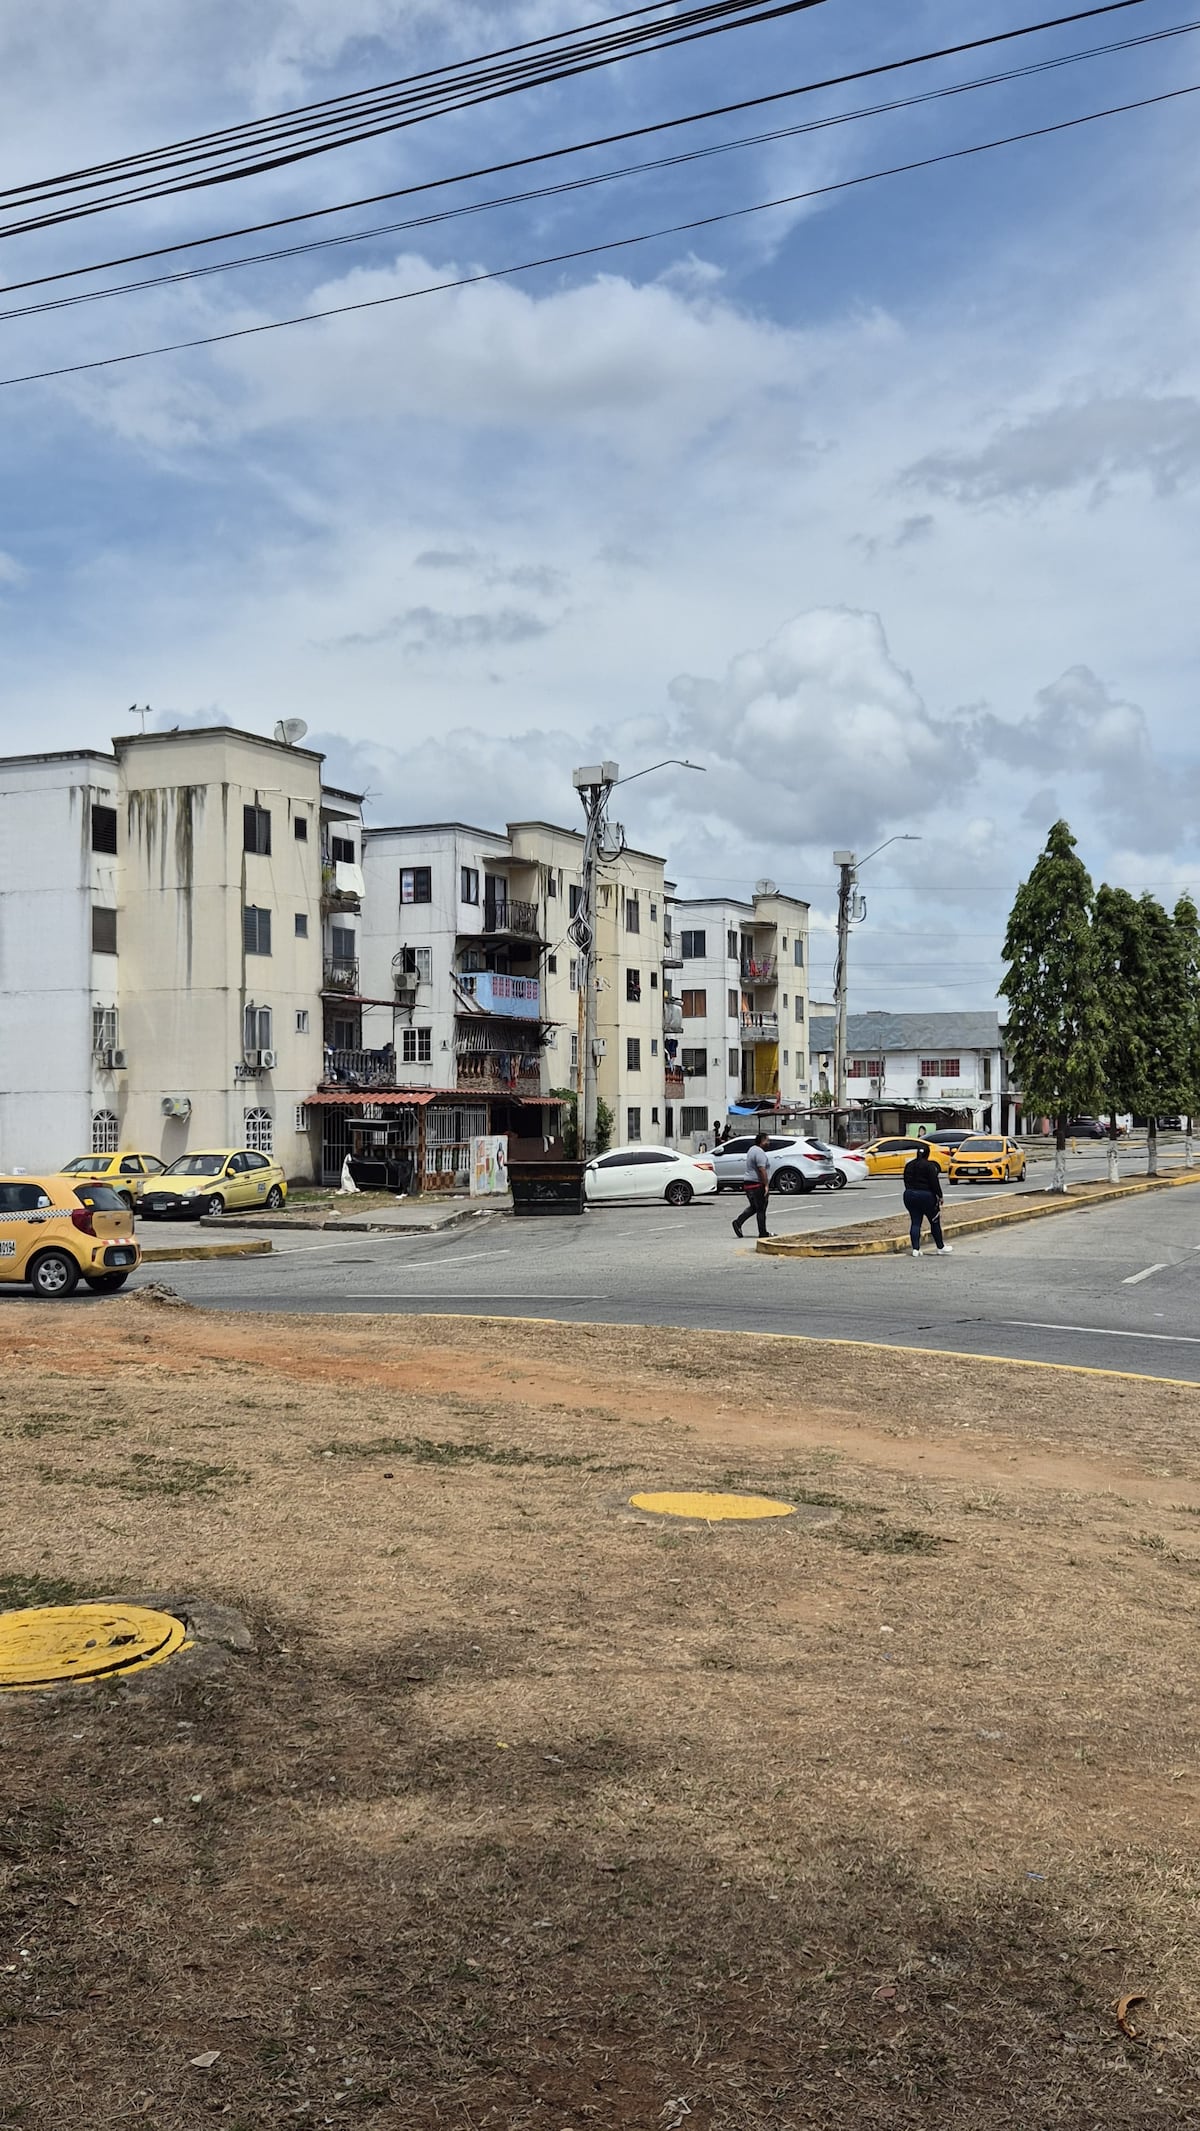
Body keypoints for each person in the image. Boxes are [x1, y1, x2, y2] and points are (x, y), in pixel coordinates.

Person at [902, 1142, 952, 1258]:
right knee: (934, 1221)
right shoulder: (929, 1166)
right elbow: (934, 1183)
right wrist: (940, 1196)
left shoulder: (909, 1165)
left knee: (915, 1222)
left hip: (910, 1194)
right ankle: (940, 1247)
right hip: (926, 1196)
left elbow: (906, 1180)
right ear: (928, 1154)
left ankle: (915, 1249)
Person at [733, 1130, 773, 1239]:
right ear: (762, 1141)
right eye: (767, 1141)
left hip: (749, 1184)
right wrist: (766, 1185)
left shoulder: (752, 1150)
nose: (769, 1143)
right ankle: (763, 1233)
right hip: (756, 1185)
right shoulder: (759, 1152)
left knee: (755, 1207)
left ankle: (738, 1222)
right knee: (761, 1209)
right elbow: (762, 1169)